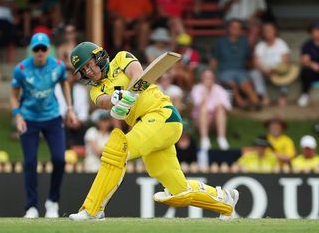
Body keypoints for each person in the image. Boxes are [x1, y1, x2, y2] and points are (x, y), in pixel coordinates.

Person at [68, 42, 239, 221]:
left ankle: (93, 210)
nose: (88, 71)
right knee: (178, 190)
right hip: (147, 128)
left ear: (99, 57)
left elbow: (138, 74)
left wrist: (129, 95)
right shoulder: (95, 90)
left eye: (89, 64)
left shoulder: (121, 58)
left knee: (118, 149)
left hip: (162, 115)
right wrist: (117, 98)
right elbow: (104, 101)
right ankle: (225, 200)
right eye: (83, 69)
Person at [10, 32, 78, 218]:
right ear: (32, 50)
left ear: (48, 49)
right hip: (29, 118)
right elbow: (14, 95)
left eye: (43, 48)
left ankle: (52, 202)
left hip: (52, 117)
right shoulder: (22, 69)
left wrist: (69, 109)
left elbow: (65, 84)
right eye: (36, 49)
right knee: (30, 162)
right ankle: (31, 206)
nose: (40, 52)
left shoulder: (57, 66)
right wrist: (17, 116)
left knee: (59, 159)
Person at [210, 19, 259, 109]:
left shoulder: (245, 42)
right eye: (233, 27)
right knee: (232, 84)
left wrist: (252, 67)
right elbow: (214, 59)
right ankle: (241, 103)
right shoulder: (221, 42)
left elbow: (250, 59)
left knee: (246, 84)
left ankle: (255, 102)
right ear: (228, 28)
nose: (235, 29)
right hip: (224, 71)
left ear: (241, 30)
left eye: (237, 27)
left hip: (241, 70)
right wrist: (211, 73)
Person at [250, 22, 292, 107]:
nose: (268, 32)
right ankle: (263, 96)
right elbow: (256, 62)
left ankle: (283, 96)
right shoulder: (260, 45)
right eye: (265, 30)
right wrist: (264, 70)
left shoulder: (281, 43)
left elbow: (286, 61)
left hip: (278, 70)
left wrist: (276, 69)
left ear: (275, 31)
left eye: (270, 30)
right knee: (254, 73)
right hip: (264, 71)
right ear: (263, 33)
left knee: (286, 71)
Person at [191, 69, 232, 151]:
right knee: (204, 109)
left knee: (220, 109)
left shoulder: (219, 89)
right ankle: (204, 138)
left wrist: (220, 106)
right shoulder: (197, 89)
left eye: (210, 77)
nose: (208, 79)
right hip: (199, 120)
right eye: (206, 77)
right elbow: (197, 105)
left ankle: (221, 138)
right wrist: (206, 90)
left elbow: (228, 108)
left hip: (215, 121)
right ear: (202, 78)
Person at [297, 22, 319, 107]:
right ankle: (304, 95)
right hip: (313, 70)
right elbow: (305, 60)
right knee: (305, 72)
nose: (317, 33)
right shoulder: (307, 45)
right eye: (315, 31)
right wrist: (314, 65)